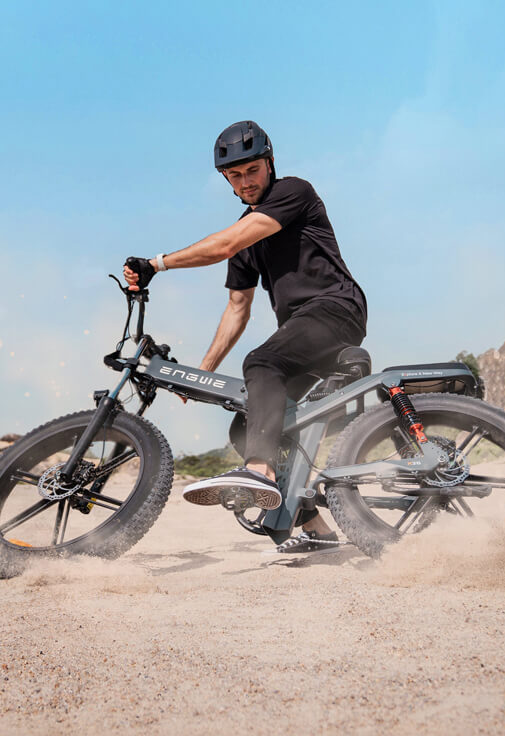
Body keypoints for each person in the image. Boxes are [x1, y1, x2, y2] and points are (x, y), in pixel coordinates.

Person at [124, 120, 367, 552]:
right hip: (301, 330)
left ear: (269, 164)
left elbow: (222, 245)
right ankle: (315, 529)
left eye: (252, 170)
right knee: (244, 423)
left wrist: (156, 264)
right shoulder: (245, 238)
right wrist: (202, 372)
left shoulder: (292, 192)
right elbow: (238, 307)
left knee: (261, 362)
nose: (245, 182)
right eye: (234, 176)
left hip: (334, 309)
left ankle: (259, 472)